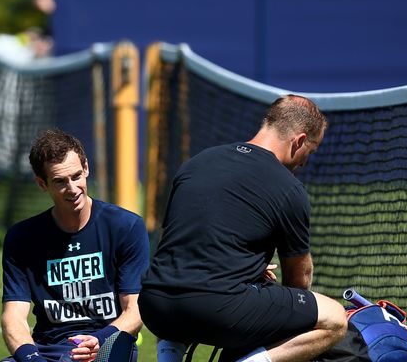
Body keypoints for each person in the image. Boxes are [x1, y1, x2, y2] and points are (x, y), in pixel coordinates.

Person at [139, 95, 348, 362]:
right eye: (312, 150)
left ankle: (168, 357)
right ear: (299, 141)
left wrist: (243, 268)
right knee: (335, 319)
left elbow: (179, 245)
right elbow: (299, 280)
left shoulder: (197, 162)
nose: (305, 162)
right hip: (216, 312)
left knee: (183, 288)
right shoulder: (289, 187)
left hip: (155, 307)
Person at [1, 128, 150, 362]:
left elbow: (135, 308)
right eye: (60, 181)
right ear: (42, 184)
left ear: (87, 168)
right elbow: (13, 318)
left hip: (106, 347)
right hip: (47, 349)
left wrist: (102, 338)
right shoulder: (21, 238)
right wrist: (32, 358)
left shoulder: (126, 226)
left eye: (76, 176)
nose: (72, 189)